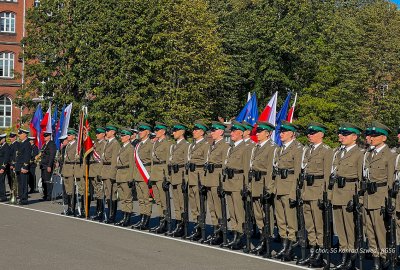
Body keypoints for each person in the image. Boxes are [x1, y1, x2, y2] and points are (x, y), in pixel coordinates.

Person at [298, 123, 333, 267]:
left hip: (318, 192)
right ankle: (312, 250)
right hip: (307, 191)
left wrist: (326, 195)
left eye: (313, 133)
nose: (309, 135)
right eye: (309, 133)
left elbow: (327, 176)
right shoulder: (307, 150)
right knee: (309, 224)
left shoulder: (326, 151)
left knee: (319, 225)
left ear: (321, 135)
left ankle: (320, 252)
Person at [329, 123, 364, 269]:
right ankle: (344, 256)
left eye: (345, 134)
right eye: (340, 133)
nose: (340, 136)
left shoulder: (360, 153)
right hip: (337, 193)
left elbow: (362, 179)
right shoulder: (337, 152)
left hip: (350, 194)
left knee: (350, 229)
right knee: (340, 229)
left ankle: (351, 258)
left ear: (354, 137)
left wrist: (359, 199)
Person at [364, 121, 396, 269]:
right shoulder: (368, 154)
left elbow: (391, 182)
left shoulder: (390, 155)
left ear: (383, 138)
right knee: (370, 231)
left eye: (376, 135)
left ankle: (384, 259)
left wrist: (391, 203)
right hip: (368, 197)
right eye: (372, 135)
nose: (372, 137)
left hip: (381, 197)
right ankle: (376, 259)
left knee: (381, 231)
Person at [273, 120, 303, 261]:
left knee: (290, 221)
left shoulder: (297, 148)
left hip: (288, 188)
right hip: (278, 188)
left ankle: (290, 248)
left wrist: (293, 192)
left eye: (284, 132)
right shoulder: (280, 148)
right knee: (280, 220)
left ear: (292, 134)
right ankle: (284, 246)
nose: (281, 134)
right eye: (281, 132)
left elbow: (297, 172)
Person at [221, 121, 251, 250]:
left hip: (238, 182)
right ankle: (234, 234)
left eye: (234, 131)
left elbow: (246, 169)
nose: (231, 133)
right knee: (232, 212)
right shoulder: (231, 147)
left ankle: (240, 236)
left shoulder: (246, 148)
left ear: (241, 133)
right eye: (231, 131)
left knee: (239, 212)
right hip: (229, 181)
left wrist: (246, 186)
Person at [248, 121, 276, 255]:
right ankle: (262, 237)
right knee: (258, 215)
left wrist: (269, 188)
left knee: (267, 215)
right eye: (257, 131)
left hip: (264, 184)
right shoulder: (256, 147)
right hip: (255, 183)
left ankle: (267, 241)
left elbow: (271, 170)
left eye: (260, 132)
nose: (257, 134)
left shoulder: (272, 148)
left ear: (268, 133)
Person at [203, 121, 230, 245]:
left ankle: (221, 232)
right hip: (209, 179)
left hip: (217, 180)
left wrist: (223, 183)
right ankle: (215, 230)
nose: (211, 133)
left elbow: (224, 165)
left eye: (214, 130)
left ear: (221, 132)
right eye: (211, 131)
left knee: (219, 208)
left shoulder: (225, 146)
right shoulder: (211, 145)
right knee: (212, 208)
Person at [186, 120, 209, 241]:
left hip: (199, 180)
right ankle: (196, 227)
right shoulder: (192, 145)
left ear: (202, 132)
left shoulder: (206, 145)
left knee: (200, 206)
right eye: (193, 130)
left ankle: (201, 229)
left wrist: (204, 182)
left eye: (196, 130)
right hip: (191, 179)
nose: (193, 131)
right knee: (194, 207)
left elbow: (205, 164)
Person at [149, 122, 172, 233]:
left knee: (164, 200)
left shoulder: (167, 144)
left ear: (163, 131)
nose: (156, 131)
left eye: (158, 130)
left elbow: (168, 161)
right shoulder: (155, 143)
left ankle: (166, 223)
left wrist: (167, 178)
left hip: (162, 174)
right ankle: (161, 221)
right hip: (154, 174)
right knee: (158, 200)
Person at [167, 122, 189, 237]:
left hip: (181, 177)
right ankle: (178, 224)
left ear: (182, 132)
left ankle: (183, 226)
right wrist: (168, 178)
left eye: (175, 131)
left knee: (182, 204)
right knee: (176, 203)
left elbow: (186, 164)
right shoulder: (173, 146)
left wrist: (186, 180)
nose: (173, 133)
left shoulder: (186, 145)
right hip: (173, 177)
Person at [132, 122, 153, 230]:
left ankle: (146, 221)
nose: (139, 132)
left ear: (147, 132)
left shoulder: (151, 144)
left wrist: (151, 177)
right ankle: (142, 219)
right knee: (140, 199)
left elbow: (152, 162)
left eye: (142, 130)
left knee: (146, 199)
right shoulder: (138, 144)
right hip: (137, 175)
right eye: (139, 130)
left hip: (146, 174)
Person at [114, 128, 135, 227]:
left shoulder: (130, 148)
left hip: (126, 174)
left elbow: (131, 164)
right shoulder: (122, 148)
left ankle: (127, 218)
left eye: (123, 136)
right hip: (119, 174)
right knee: (122, 198)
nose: (121, 137)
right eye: (121, 136)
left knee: (127, 198)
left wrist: (130, 178)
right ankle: (123, 216)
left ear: (128, 137)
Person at [101, 124, 121, 223]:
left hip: (110, 171)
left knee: (111, 194)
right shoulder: (107, 143)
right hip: (105, 170)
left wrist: (112, 175)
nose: (106, 132)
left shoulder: (115, 144)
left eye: (108, 130)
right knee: (107, 194)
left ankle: (112, 216)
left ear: (113, 132)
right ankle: (109, 214)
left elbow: (114, 161)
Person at [89, 127, 107, 221]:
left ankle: (100, 212)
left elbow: (102, 160)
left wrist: (100, 172)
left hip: (98, 170)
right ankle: (98, 211)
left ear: (103, 134)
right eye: (96, 133)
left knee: (100, 192)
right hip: (93, 170)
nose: (96, 135)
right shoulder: (96, 144)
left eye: (98, 133)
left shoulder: (104, 144)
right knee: (97, 192)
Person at [61, 129, 78, 215]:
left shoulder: (76, 145)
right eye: (68, 134)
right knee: (67, 190)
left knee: (71, 189)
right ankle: (69, 208)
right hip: (66, 168)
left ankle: (72, 209)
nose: (68, 136)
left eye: (70, 134)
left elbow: (76, 158)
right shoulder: (67, 145)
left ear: (74, 136)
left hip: (71, 168)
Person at [15, 128, 31, 205]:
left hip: (23, 167)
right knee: (20, 184)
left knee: (24, 184)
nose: (19, 135)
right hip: (19, 166)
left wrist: (25, 167)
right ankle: (21, 198)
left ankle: (24, 199)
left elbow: (27, 156)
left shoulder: (27, 144)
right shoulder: (22, 143)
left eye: (21, 134)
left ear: (25, 134)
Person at [39, 131, 56, 201]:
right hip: (43, 165)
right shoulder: (44, 144)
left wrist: (49, 165)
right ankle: (45, 195)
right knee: (43, 181)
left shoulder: (51, 144)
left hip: (47, 165)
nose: (45, 137)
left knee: (48, 181)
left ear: (49, 136)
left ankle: (49, 196)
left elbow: (52, 155)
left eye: (46, 136)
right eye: (44, 136)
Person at [0, 133, 10, 202]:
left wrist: (3, 168)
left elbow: (6, 158)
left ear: (3, 139)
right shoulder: (1, 146)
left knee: (1, 181)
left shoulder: (6, 147)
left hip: (2, 167)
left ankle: (3, 196)